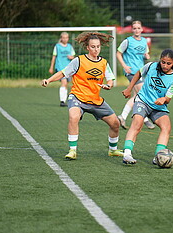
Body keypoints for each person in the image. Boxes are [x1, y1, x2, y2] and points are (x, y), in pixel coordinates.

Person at [41, 32, 123, 160]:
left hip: (95, 100)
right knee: (73, 117)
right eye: (93, 47)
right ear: (87, 47)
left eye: (98, 46)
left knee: (115, 124)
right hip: (77, 97)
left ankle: (112, 150)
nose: (96, 49)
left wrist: (109, 85)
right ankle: (72, 150)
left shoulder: (104, 63)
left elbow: (110, 79)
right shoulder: (79, 60)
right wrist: (49, 80)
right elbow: (63, 73)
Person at [121, 49, 173, 164]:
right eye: (163, 62)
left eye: (168, 63)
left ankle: (158, 156)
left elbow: (168, 99)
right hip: (142, 101)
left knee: (166, 127)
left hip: (158, 106)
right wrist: (129, 89)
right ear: (160, 60)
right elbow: (138, 73)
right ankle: (127, 155)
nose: (164, 65)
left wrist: (163, 99)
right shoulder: (151, 66)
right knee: (137, 124)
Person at [116, 20, 155, 130]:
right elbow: (118, 53)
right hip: (131, 72)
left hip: (140, 72)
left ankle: (122, 116)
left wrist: (146, 56)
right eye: (135, 28)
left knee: (136, 96)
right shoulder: (128, 41)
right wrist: (124, 66)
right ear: (132, 30)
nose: (137, 30)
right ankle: (146, 119)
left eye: (139, 28)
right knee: (143, 94)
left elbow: (145, 54)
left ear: (142, 29)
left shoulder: (144, 41)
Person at [48, 32, 76, 107]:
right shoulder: (57, 46)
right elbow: (54, 57)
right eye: (63, 37)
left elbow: (73, 56)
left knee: (66, 84)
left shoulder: (69, 46)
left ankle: (64, 100)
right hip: (60, 67)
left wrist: (71, 57)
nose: (65, 39)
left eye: (66, 37)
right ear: (61, 38)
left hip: (68, 68)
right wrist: (51, 67)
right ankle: (62, 101)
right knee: (64, 83)